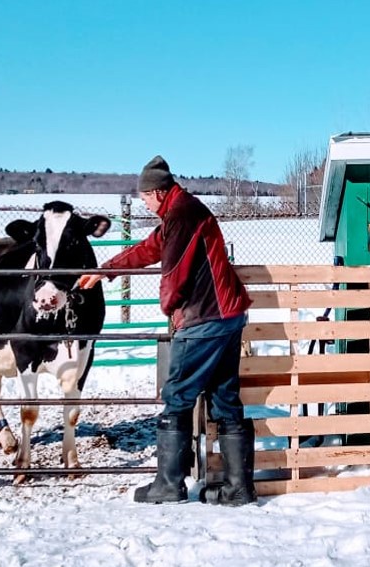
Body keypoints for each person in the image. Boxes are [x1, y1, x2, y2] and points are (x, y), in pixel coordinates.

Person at [77, 155, 256, 506]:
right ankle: (239, 488)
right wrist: (104, 270)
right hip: (227, 316)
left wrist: (171, 312)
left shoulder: (181, 215)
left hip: (204, 318)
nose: (142, 201)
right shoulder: (180, 212)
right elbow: (149, 249)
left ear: (158, 192)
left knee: (176, 395)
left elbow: (174, 275)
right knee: (224, 397)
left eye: (144, 196)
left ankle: (169, 484)